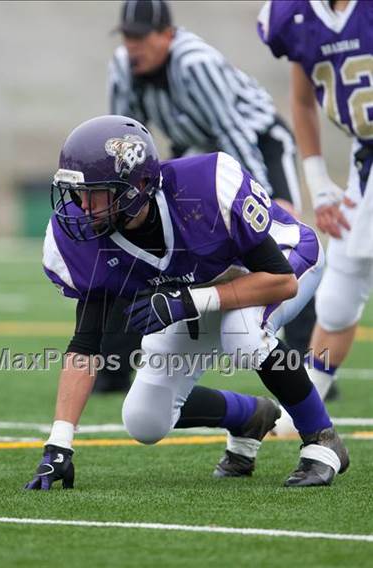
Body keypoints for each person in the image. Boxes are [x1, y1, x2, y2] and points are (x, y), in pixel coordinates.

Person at [25, 114, 349, 490]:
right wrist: (59, 444)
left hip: (281, 263)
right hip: (199, 290)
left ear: (137, 186)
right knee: (144, 420)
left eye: (95, 193)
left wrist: (188, 301)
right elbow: (84, 345)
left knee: (241, 335)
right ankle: (250, 416)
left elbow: (281, 282)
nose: (82, 206)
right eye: (77, 192)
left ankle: (322, 440)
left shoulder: (204, 188)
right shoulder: (89, 236)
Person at [100, 0, 316, 392]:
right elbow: (122, 138)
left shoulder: (193, 63)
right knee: (143, 237)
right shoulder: (122, 66)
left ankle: (309, 358)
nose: (133, 46)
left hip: (257, 141)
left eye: (142, 37)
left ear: (167, 34)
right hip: (195, 150)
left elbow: (233, 131)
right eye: (128, 37)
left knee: (280, 241)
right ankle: (114, 368)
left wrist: (263, 200)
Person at [258, 0, 373, 432]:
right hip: (366, 165)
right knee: (338, 297)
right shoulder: (297, 16)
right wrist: (320, 182)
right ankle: (301, 414)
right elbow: (303, 103)